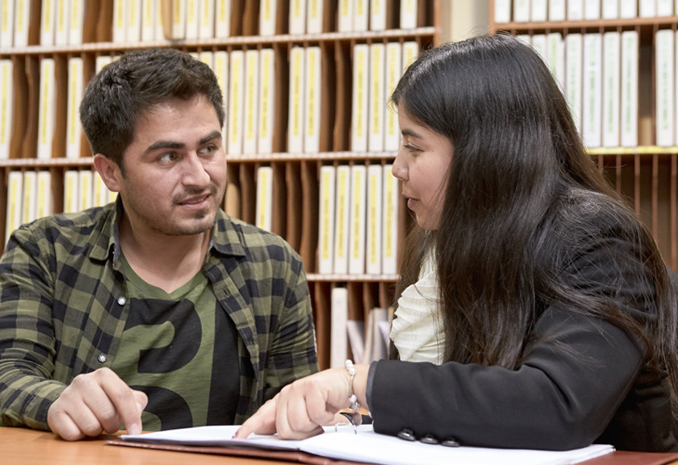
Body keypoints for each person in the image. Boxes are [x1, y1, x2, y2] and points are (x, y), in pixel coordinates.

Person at [236, 33, 678, 452]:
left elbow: (555, 405)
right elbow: (454, 409)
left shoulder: (599, 240)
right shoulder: (442, 245)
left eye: (414, 147)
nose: (396, 167)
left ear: (483, 152)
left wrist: (360, 383)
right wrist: (353, 418)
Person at [0, 48, 319, 441]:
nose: (200, 177)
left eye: (208, 149)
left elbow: (293, 420)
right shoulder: (45, 250)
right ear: (110, 172)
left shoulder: (273, 265)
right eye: (169, 157)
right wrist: (55, 401)